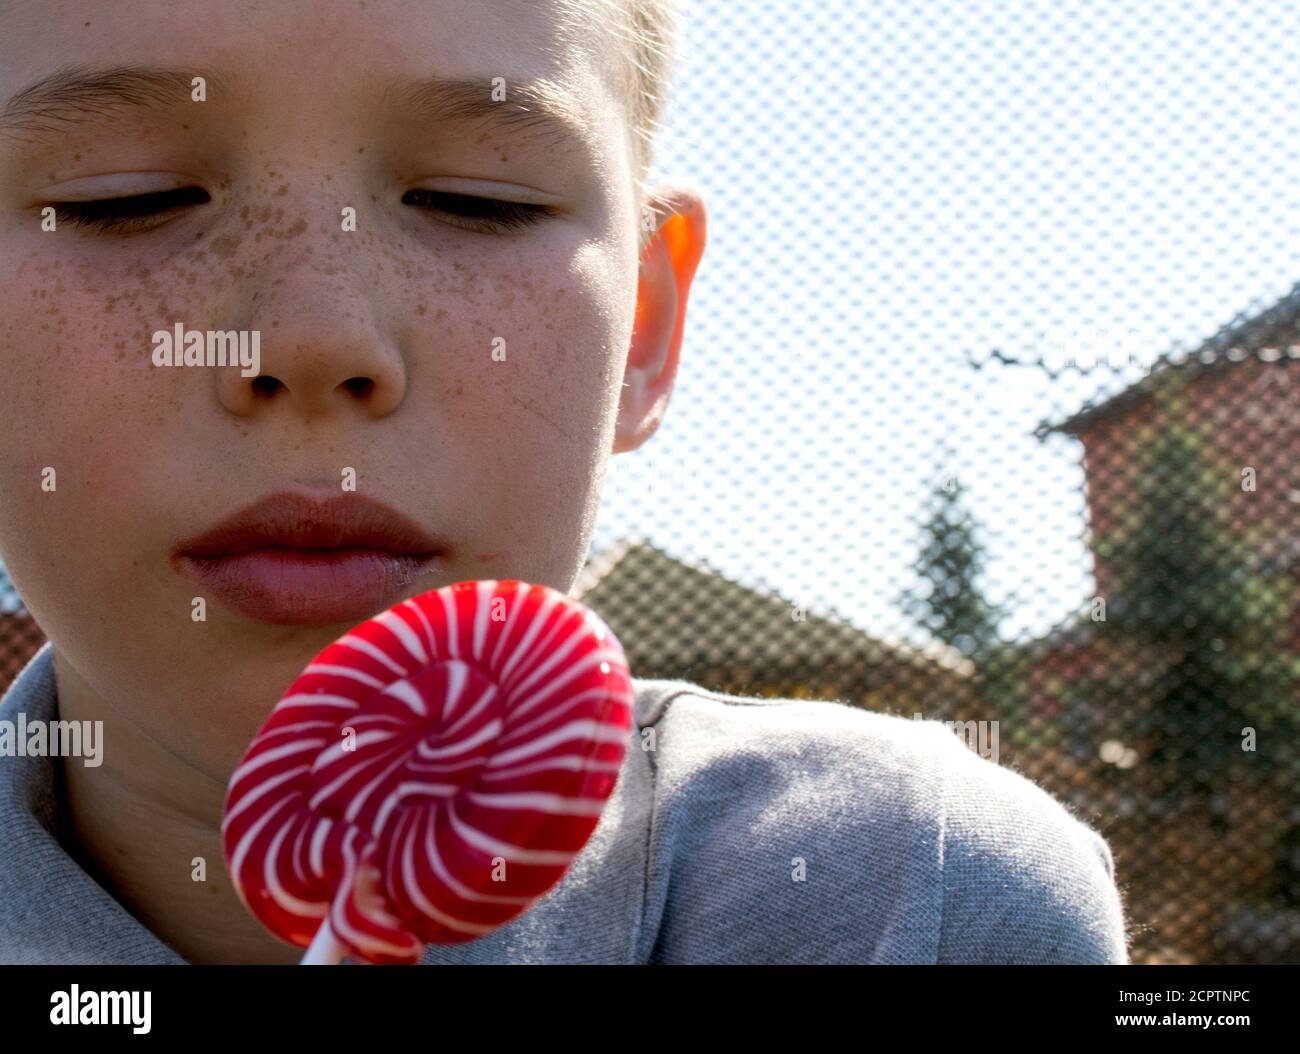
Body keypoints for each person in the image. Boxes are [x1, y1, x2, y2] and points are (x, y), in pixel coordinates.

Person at [0, 0, 1128, 964]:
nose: (315, 336)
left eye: (475, 201)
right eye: (121, 197)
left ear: (642, 330)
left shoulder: (912, 901)